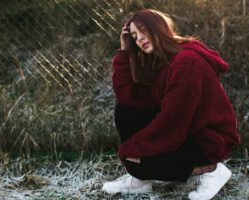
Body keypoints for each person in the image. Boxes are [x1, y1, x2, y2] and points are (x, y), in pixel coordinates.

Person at [102, 9, 241, 200]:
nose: (139, 38)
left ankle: (213, 170)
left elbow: (172, 123)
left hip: (208, 141)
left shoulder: (187, 62)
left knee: (137, 163)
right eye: (134, 36)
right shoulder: (164, 62)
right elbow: (130, 98)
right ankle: (140, 181)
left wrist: (133, 149)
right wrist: (125, 51)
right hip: (188, 131)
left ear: (158, 28)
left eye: (143, 31)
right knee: (126, 111)